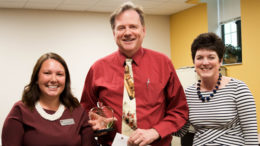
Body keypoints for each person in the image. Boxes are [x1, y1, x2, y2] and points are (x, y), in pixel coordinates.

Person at [80, 2, 188, 146]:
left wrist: (156, 131)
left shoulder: (163, 63)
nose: (127, 32)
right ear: (114, 33)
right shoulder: (98, 68)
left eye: (133, 26)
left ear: (143, 30)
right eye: (121, 28)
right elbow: (85, 109)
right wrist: (95, 122)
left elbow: (179, 110)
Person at [176, 32, 259, 145]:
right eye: (199, 57)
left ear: (220, 61)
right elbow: (181, 131)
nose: (205, 62)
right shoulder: (188, 94)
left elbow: (251, 137)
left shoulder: (238, 89)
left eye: (211, 57)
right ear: (194, 62)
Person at [2, 52, 97, 146]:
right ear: (36, 78)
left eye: (59, 74)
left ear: (66, 80)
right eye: (47, 73)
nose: (53, 79)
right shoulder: (20, 111)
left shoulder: (78, 111)